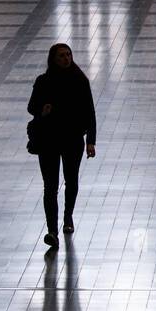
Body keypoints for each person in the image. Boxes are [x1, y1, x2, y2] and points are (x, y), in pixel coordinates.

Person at [27, 43, 97, 248]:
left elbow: (90, 112)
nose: (66, 59)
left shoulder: (79, 80)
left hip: (72, 139)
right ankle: (51, 230)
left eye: (68, 55)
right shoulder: (43, 81)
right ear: (53, 59)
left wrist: (91, 141)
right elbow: (31, 107)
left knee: (71, 181)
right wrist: (42, 110)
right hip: (48, 139)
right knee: (50, 187)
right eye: (61, 56)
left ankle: (68, 217)